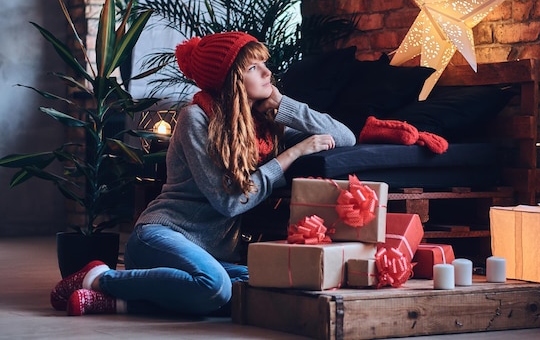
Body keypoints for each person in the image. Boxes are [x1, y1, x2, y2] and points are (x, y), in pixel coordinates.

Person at [50, 32, 356, 316]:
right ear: (229, 79)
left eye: (265, 64)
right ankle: (103, 277)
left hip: (211, 256)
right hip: (161, 237)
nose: (267, 73)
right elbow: (229, 201)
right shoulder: (194, 117)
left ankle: (120, 300)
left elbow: (345, 137)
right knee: (216, 287)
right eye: (253, 67)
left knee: (268, 283)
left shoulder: (267, 122)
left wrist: (282, 104)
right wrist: (293, 154)